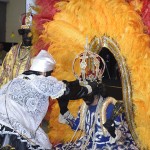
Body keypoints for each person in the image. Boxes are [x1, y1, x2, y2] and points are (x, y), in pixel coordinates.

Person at [0, 50, 98, 150]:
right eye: (50, 74)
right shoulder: (41, 81)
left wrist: (64, 110)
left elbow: (61, 89)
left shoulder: (18, 79)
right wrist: (90, 88)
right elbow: (68, 91)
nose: (51, 77)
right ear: (44, 72)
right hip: (12, 131)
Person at [56, 83, 139, 150]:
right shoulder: (83, 108)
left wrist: (113, 132)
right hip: (88, 144)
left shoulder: (110, 107)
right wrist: (64, 111)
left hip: (108, 146)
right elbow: (77, 126)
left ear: (96, 92)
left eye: (87, 95)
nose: (85, 99)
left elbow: (124, 136)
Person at [0, 11, 33, 88]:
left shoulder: (38, 52)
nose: (28, 36)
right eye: (26, 32)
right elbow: (3, 70)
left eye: (31, 33)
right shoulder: (13, 50)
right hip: (10, 91)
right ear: (22, 33)